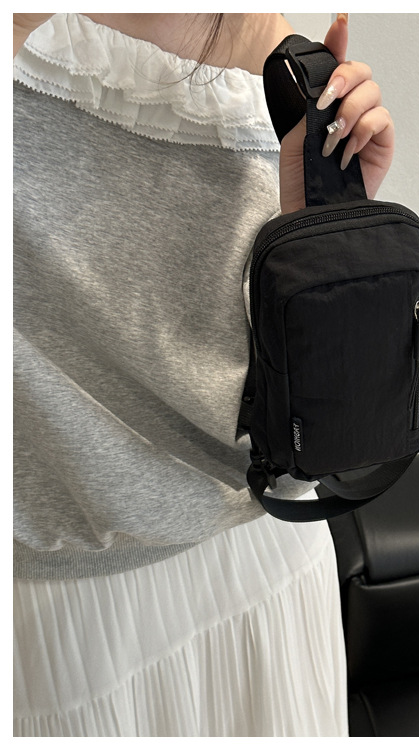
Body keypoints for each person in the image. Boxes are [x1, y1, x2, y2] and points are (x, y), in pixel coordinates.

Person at [13, 12, 394, 737]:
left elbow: (316, 405)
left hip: (267, 561)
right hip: (64, 620)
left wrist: (327, 234)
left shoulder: (279, 51)